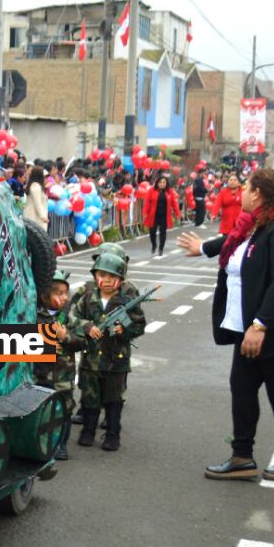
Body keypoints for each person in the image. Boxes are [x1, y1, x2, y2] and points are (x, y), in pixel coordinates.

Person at [178, 169, 274, 482]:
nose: (241, 192)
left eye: (246, 187)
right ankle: (242, 456)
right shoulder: (257, 224)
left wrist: (260, 325)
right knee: (242, 388)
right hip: (250, 327)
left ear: (257, 193)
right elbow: (235, 243)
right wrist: (204, 248)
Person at [70, 252, 146, 451]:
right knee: (89, 397)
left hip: (117, 360)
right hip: (91, 359)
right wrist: (86, 327)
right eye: (102, 275)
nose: (106, 280)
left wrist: (124, 330)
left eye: (111, 277)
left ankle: (113, 435)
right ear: (95, 276)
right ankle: (88, 431)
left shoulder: (126, 300)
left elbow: (140, 325)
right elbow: (71, 317)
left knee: (114, 399)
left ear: (120, 280)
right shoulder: (87, 297)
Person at [34, 270, 85, 462]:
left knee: (64, 411)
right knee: (42, 413)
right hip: (38, 377)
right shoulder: (33, 316)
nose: (64, 298)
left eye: (66, 293)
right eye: (58, 293)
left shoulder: (69, 318)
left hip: (63, 378)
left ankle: (61, 445)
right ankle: (41, 445)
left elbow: (82, 341)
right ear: (44, 296)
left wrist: (65, 338)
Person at [143, 175, 181, 257]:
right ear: (157, 183)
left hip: (164, 215)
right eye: (160, 182)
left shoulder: (169, 192)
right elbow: (147, 202)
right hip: (154, 215)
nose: (162, 184)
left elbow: (174, 203)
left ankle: (161, 248)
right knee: (152, 231)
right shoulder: (151, 190)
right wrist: (145, 212)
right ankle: (154, 244)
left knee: (163, 232)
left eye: (164, 182)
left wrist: (177, 213)